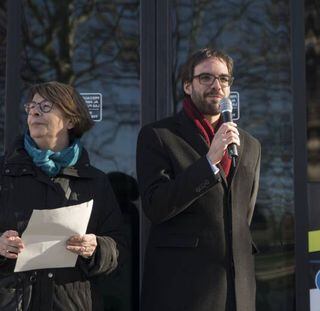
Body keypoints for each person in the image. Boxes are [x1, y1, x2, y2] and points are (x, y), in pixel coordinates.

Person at [137, 48, 261, 311]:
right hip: (182, 288)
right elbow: (155, 206)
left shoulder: (250, 145)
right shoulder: (159, 136)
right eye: (206, 77)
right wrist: (208, 163)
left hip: (238, 290)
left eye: (224, 79)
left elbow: (243, 214)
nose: (217, 85)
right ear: (187, 85)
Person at [0, 81, 125, 311]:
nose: (35, 111)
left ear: (70, 121)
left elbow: (118, 250)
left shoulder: (94, 181)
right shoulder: (5, 174)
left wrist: (96, 248)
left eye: (46, 106)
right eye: (32, 106)